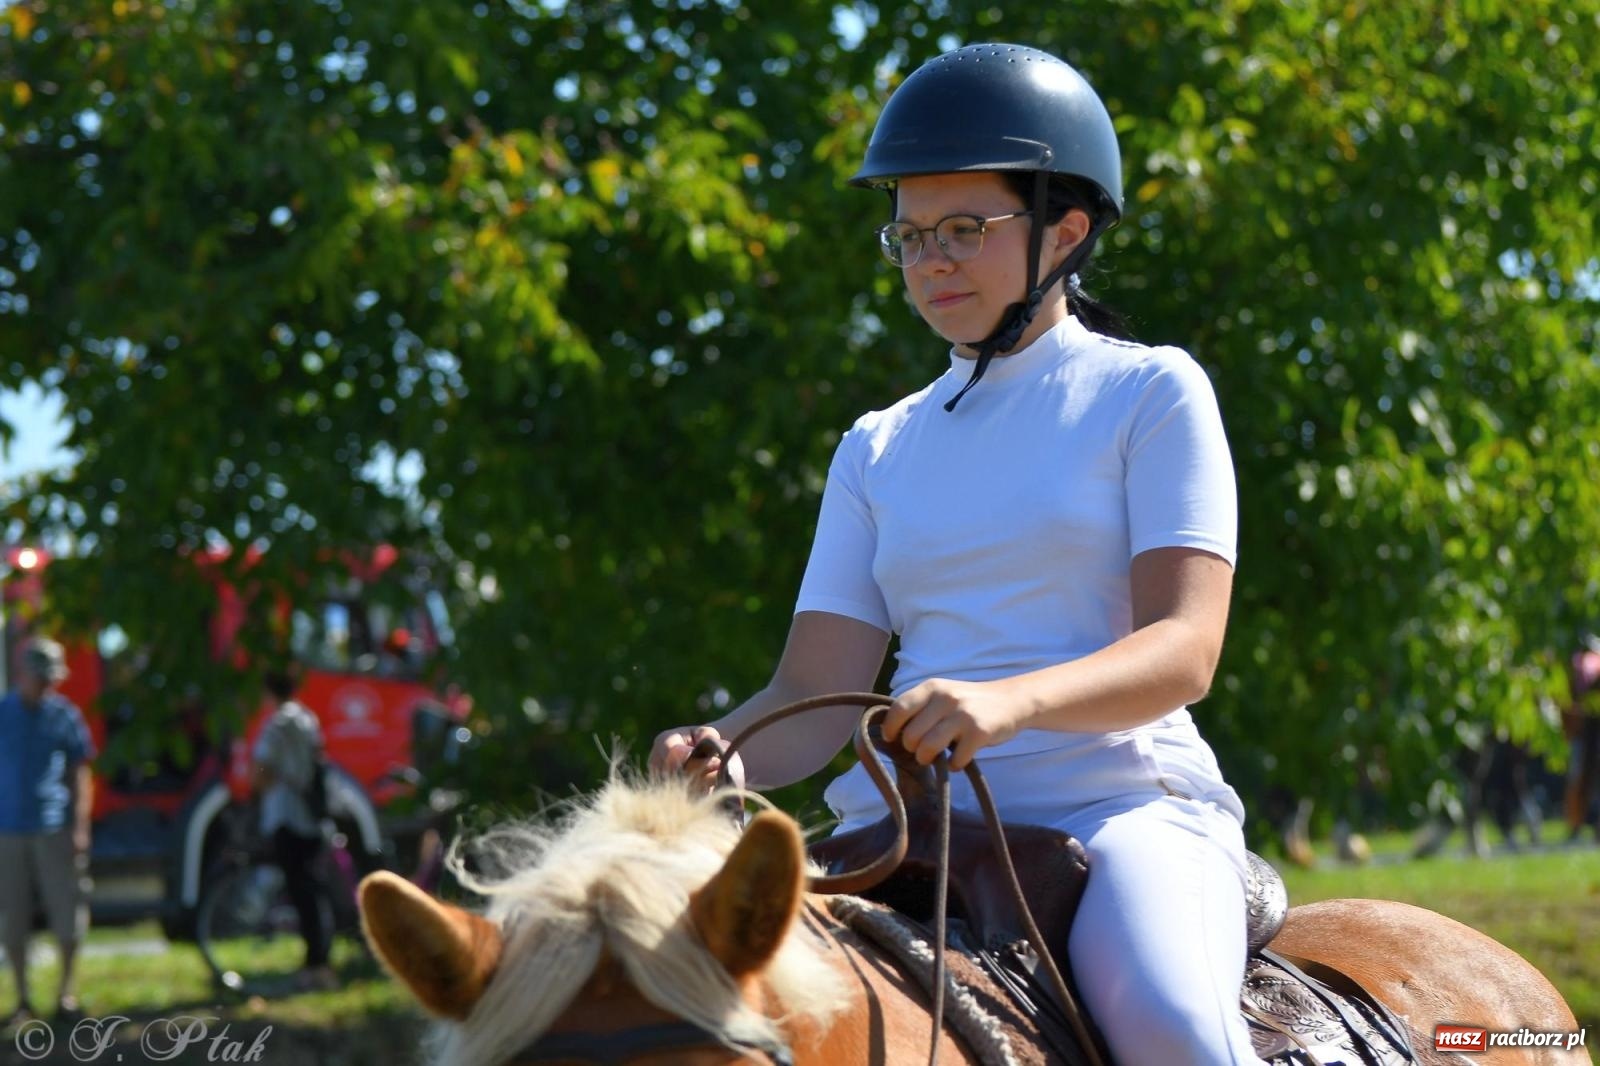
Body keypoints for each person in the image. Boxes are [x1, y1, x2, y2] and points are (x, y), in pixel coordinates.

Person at [652, 42, 1262, 1065]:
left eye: (964, 230)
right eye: (909, 236)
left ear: (1064, 232)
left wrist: (1007, 700)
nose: (930, 260)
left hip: (1114, 812)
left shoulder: (1150, 392)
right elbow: (813, 688)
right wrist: (721, 750)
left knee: (1174, 1028)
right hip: (897, 830)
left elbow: (1184, 649)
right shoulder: (876, 444)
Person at [0, 637, 95, 1025]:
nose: (49, 686)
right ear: (23, 674)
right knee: (13, 918)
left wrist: (80, 827)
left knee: (67, 913)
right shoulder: (3, 713)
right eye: (43, 678)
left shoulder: (64, 715)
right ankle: (22, 998)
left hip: (53, 826)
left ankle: (65, 993)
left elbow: (80, 773)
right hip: (8, 829)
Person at [251, 668, 336, 992]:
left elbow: (261, 767)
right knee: (312, 891)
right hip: (310, 816)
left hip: (286, 816)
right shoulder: (307, 719)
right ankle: (320, 962)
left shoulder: (277, 724)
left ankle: (315, 967)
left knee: (302, 892)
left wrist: (261, 781)